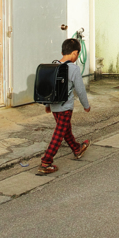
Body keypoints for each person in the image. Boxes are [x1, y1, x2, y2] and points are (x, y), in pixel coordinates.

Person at [37, 38, 90, 175]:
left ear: (62, 52)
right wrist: (86, 105)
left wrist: (48, 105)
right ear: (74, 53)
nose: (77, 57)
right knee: (59, 133)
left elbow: (49, 87)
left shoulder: (53, 66)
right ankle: (46, 162)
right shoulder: (73, 69)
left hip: (54, 106)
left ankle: (77, 148)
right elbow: (80, 89)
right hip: (66, 107)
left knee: (65, 129)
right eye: (77, 55)